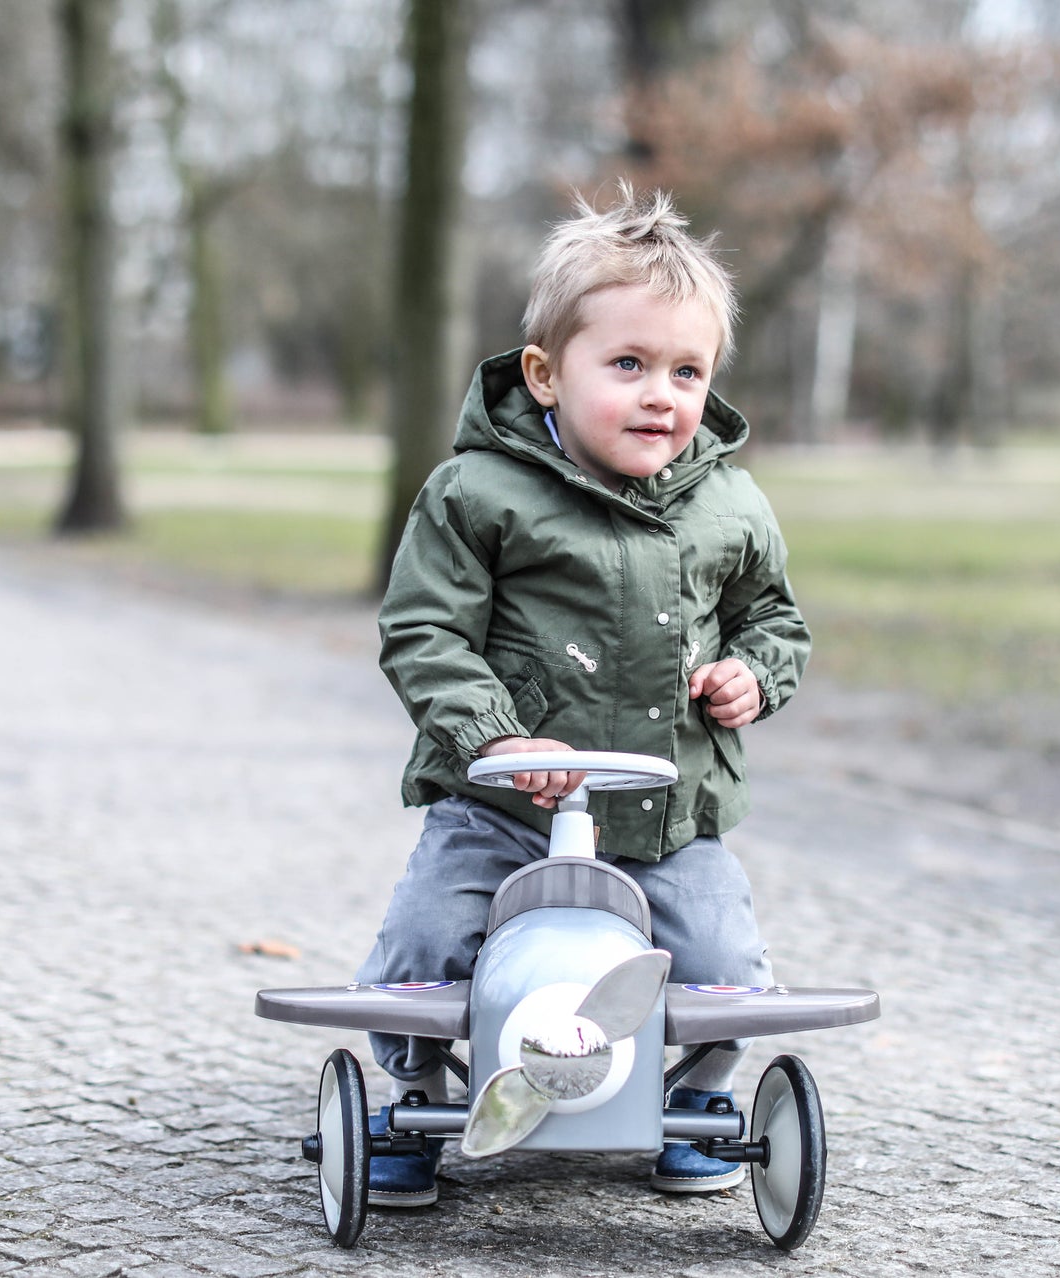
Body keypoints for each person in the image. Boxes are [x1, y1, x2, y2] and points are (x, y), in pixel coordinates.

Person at [359, 183, 811, 1206]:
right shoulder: (477, 494)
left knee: (722, 960)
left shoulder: (728, 502)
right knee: (431, 939)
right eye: (627, 365)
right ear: (545, 374)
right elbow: (423, 629)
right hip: (505, 807)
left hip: (666, 812)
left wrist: (753, 674)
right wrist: (491, 737)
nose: (661, 395)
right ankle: (415, 1098)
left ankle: (695, 1104)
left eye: (685, 371)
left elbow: (773, 618)